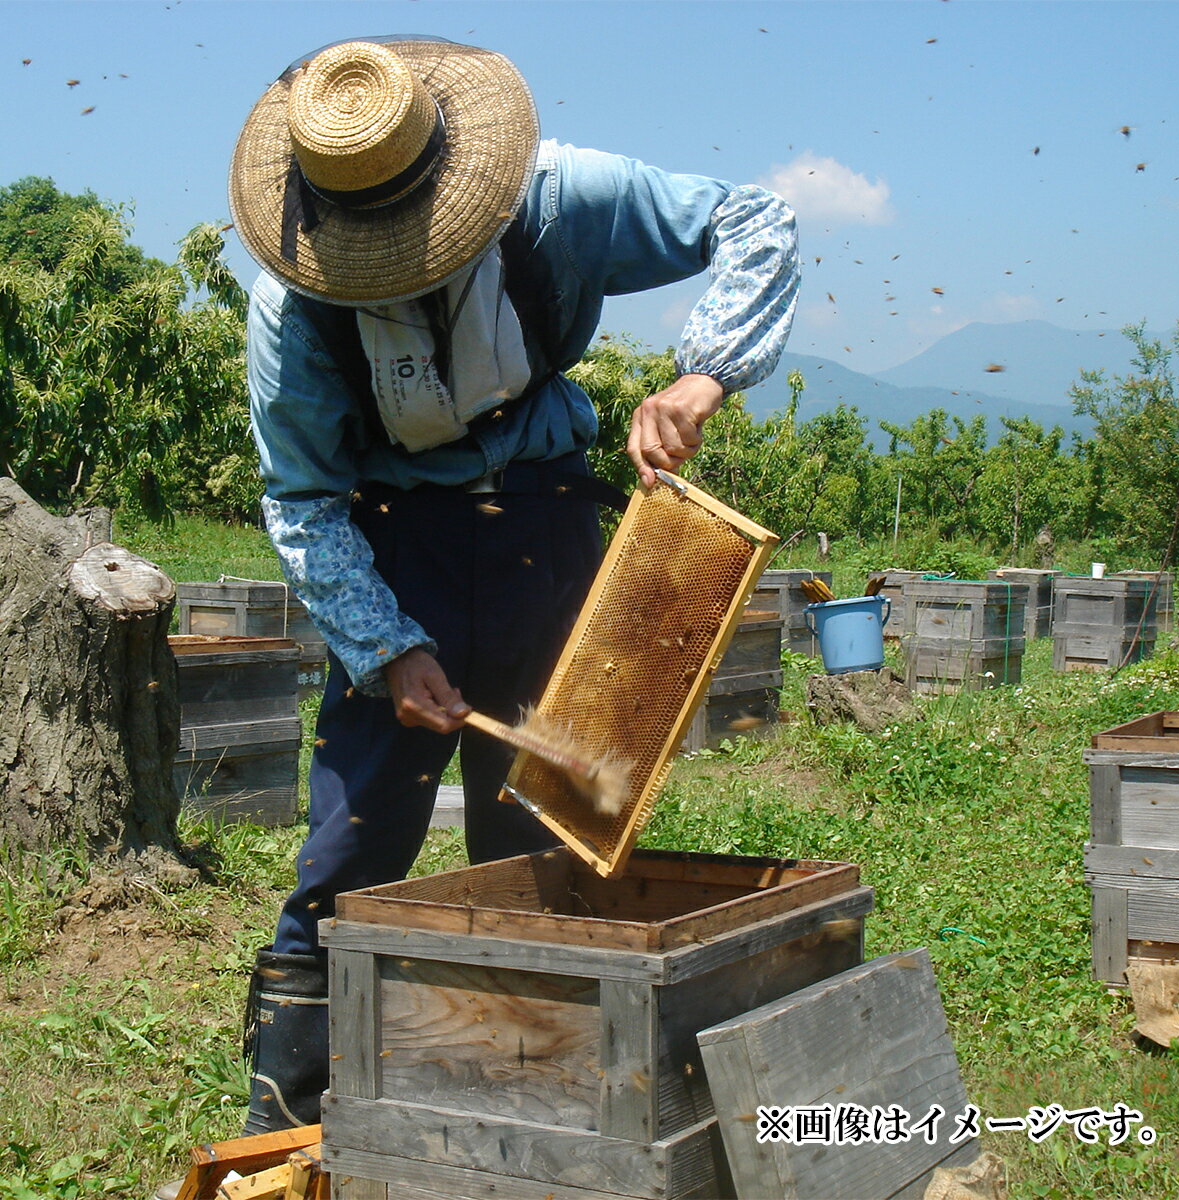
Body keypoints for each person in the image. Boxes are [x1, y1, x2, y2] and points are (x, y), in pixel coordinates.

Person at [226, 33, 800, 1139]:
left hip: (544, 536)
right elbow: (301, 499)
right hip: (391, 549)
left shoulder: (557, 200)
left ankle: (540, 1112)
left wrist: (703, 370)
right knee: (350, 848)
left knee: (542, 840)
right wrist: (388, 645)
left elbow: (754, 219)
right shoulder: (293, 309)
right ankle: (284, 1123)